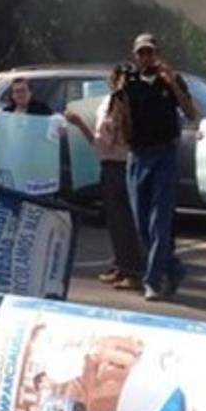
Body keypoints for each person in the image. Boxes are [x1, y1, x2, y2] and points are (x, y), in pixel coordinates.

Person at [121, 33, 199, 301]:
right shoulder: (128, 82)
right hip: (138, 156)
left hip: (164, 155)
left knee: (160, 223)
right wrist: (118, 92)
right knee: (142, 223)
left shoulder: (172, 80)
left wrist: (172, 84)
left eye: (149, 53)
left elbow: (191, 113)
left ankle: (152, 280)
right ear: (134, 55)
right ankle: (174, 269)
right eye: (141, 53)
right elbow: (121, 119)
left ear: (157, 54)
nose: (145, 58)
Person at [78, 64, 143, 291]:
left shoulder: (126, 103)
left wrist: (79, 125)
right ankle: (122, 265)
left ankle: (133, 271)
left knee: (125, 221)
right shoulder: (110, 101)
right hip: (109, 164)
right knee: (115, 221)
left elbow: (107, 140)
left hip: (120, 165)